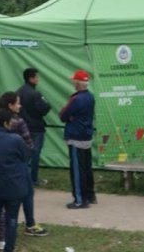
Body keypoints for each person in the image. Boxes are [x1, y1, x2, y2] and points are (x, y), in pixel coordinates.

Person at [0, 92, 47, 237]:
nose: (20, 106)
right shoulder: (18, 122)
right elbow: (29, 145)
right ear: (10, 106)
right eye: (18, 103)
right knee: (27, 193)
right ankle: (30, 224)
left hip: (0, 164)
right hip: (18, 164)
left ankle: (2, 225)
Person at [0, 108, 30, 252]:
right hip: (13, 186)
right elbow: (26, 156)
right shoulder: (15, 139)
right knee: (12, 221)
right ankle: (9, 249)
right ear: (6, 123)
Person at [59, 69, 96, 209]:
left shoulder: (75, 98)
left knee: (76, 169)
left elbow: (62, 115)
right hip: (87, 135)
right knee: (86, 167)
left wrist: (70, 117)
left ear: (77, 83)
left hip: (76, 136)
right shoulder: (90, 97)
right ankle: (90, 195)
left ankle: (80, 200)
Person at [17, 68, 51, 187]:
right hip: (36, 128)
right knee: (35, 154)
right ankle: (33, 179)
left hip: (22, 128)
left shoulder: (18, 92)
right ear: (31, 78)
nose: (38, 79)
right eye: (36, 77)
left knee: (24, 154)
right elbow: (45, 108)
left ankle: (23, 178)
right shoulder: (35, 94)